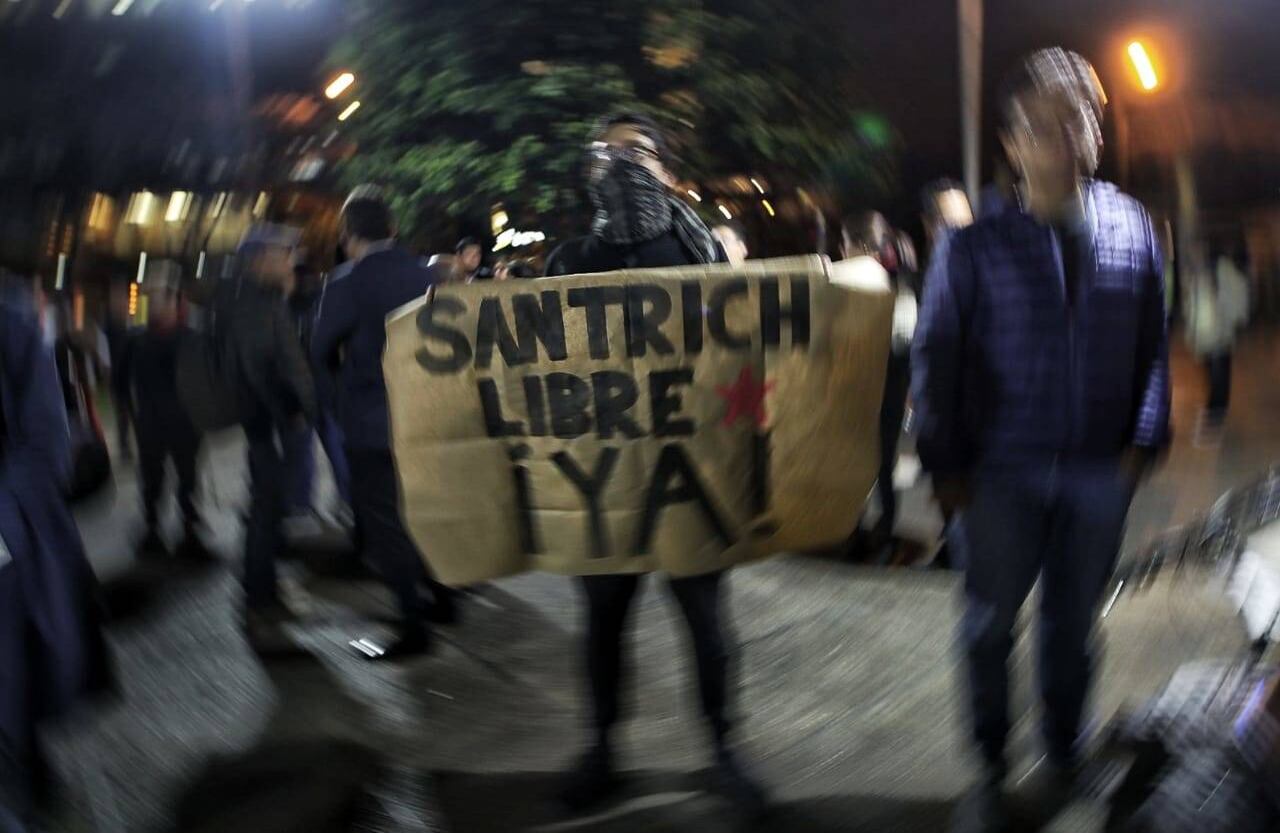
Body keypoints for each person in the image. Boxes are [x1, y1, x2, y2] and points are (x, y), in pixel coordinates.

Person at [912, 49, 1170, 833]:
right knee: (989, 626)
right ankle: (991, 767)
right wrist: (944, 463)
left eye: (1083, 114)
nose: (1067, 131)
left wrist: (1142, 442)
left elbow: (1154, 345)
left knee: (1073, 626)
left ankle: (1064, 754)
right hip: (997, 476)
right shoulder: (975, 241)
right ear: (1013, 143)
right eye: (1044, 120)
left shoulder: (1133, 224)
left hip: (1097, 475)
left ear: (1098, 131)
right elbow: (936, 355)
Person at [544, 111, 765, 817]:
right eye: (606, 154)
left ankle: (725, 749)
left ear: (669, 174)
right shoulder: (570, 261)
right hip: (605, 478)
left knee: (706, 622)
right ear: (590, 174)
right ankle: (602, 747)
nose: (620, 164)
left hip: (689, 474)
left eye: (636, 152)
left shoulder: (704, 260)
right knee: (604, 624)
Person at [311, 187, 454, 661]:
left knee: (386, 524)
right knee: (429, 510)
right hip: (429, 418)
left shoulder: (347, 283)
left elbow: (320, 351)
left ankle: (413, 622)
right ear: (393, 229)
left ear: (348, 235)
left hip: (373, 423)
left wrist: (339, 400)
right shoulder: (429, 275)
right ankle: (446, 598)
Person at [0, 270, 112, 830]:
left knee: (11, 674)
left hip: (5, 539)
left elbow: (46, 441)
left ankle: (22, 784)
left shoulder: (13, 320)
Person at [220, 226, 318, 649]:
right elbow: (261, 367)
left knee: (269, 509)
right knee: (264, 512)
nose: (289, 261)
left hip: (270, 420)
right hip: (268, 422)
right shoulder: (254, 303)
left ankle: (266, 592)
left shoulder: (259, 298)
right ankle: (258, 601)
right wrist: (290, 410)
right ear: (259, 259)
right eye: (282, 254)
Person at [842, 211, 915, 560]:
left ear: (857, 243)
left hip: (858, 389)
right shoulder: (898, 282)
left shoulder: (845, 280)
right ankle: (884, 531)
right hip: (890, 389)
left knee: (854, 460)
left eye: (844, 242)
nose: (842, 250)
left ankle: (855, 531)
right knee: (883, 463)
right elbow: (906, 340)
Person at [126, 260, 210, 561]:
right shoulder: (138, 340)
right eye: (149, 295)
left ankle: (190, 530)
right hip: (151, 424)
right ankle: (151, 531)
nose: (153, 302)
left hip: (185, 423)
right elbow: (125, 382)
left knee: (188, 478)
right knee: (151, 481)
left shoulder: (192, 338)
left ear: (175, 297)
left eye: (158, 295)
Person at [1183, 242, 1250, 447]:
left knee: (1219, 378)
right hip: (1208, 336)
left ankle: (1214, 421)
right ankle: (1213, 416)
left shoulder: (1226, 274)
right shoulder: (1202, 275)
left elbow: (1237, 303)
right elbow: (1193, 306)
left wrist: (1228, 322)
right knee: (1214, 377)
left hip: (1219, 335)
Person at [103, 280, 135, 460]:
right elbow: (105, 349)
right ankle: (124, 446)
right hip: (117, 374)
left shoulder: (128, 321)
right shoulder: (110, 324)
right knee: (122, 413)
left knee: (133, 410)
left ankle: (130, 444)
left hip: (129, 372)